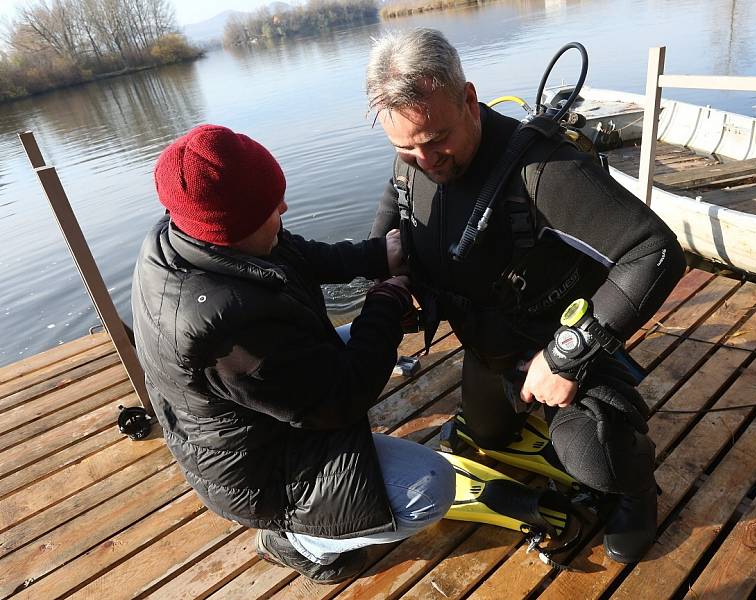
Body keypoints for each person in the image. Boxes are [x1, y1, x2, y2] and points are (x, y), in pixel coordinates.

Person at [366, 29, 686, 564]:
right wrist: (391, 288)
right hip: (488, 348)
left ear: (469, 99)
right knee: (488, 432)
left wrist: (568, 355)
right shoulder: (414, 156)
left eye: (437, 138)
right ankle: (514, 406)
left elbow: (654, 252)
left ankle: (635, 485)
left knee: (594, 457)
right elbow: (386, 242)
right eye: (405, 146)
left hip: (559, 348)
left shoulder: (543, 170)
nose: (426, 160)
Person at [131, 124, 455, 584]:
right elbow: (344, 397)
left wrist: (377, 255)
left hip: (252, 411)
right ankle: (298, 543)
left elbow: (295, 253)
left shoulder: (191, 233)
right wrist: (387, 300)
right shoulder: (226, 335)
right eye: (270, 207)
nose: (283, 208)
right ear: (232, 229)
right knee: (430, 489)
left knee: (347, 342)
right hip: (258, 472)